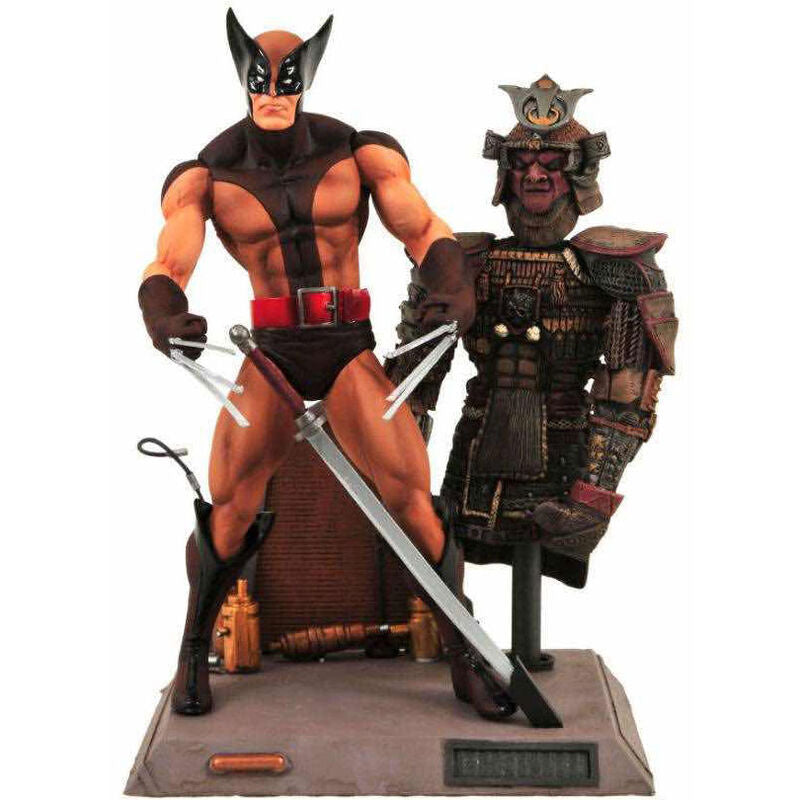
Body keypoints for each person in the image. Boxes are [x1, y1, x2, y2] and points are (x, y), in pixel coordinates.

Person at [138, 8, 512, 719]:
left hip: (345, 346)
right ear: (243, 81)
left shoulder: (359, 152)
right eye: (261, 82)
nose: (273, 94)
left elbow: (421, 226)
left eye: (287, 82)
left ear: (306, 81)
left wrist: (452, 283)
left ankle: (465, 655)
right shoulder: (206, 174)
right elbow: (169, 259)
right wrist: (162, 310)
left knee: (410, 496)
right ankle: (192, 652)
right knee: (230, 506)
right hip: (272, 352)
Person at [387, 75, 678, 591]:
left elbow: (628, 394)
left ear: (580, 174)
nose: (535, 175)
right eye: (521, 163)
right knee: (442, 570)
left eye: (551, 163)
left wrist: (593, 497)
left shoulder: (615, 267)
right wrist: (395, 480)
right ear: (505, 173)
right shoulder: (465, 260)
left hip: (566, 452)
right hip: (475, 447)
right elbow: (413, 382)